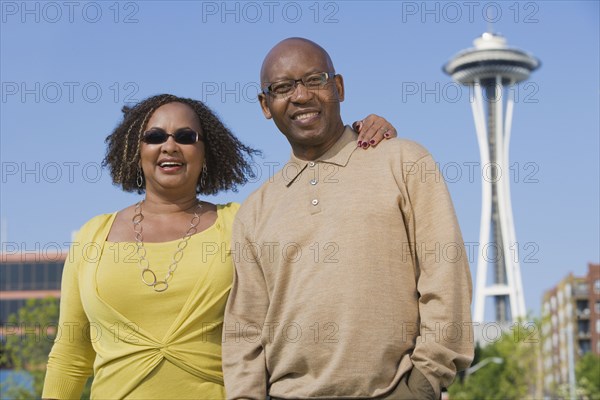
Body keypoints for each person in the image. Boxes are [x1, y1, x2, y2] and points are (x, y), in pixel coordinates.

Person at [42, 93, 397, 399]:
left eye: (185, 136)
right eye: (154, 136)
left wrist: (350, 142)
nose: (170, 145)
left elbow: (319, 226)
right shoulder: (92, 236)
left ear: (206, 152)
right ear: (135, 150)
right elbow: (71, 354)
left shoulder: (241, 222)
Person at [222, 38, 474, 399]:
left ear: (338, 87)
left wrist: (423, 382)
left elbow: (445, 275)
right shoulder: (255, 209)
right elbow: (244, 329)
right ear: (266, 104)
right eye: (282, 87)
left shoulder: (404, 161)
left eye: (315, 80)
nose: (301, 96)